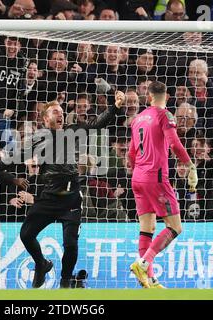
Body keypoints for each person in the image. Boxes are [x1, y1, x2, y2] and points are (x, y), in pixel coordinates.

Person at [19, 90, 126, 289]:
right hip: (49, 198)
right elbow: (17, 159)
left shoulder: (73, 131)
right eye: (54, 112)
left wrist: (115, 107)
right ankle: (41, 264)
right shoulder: (37, 140)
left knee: (70, 244)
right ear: (44, 119)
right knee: (26, 234)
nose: (59, 114)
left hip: (71, 199)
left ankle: (66, 282)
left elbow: (96, 124)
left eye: (61, 111)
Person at [128, 81, 198, 289]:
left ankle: (149, 279)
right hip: (156, 178)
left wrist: (138, 171)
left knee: (147, 228)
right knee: (175, 227)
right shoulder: (165, 115)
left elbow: (131, 153)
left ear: (148, 97)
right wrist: (190, 166)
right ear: (166, 97)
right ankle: (143, 263)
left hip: (138, 178)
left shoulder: (137, 119)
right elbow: (175, 143)